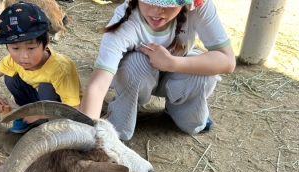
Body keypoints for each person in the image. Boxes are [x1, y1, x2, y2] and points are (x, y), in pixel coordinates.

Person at [79, 0, 236, 140]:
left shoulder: (200, 8)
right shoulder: (124, 20)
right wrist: (88, 134)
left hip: (177, 73)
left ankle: (179, 109)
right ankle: (122, 117)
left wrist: (172, 63)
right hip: (139, 76)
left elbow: (228, 61)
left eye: (167, 4)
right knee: (136, 63)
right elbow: (98, 85)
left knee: (201, 75)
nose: (157, 10)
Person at [0, 2, 82, 133]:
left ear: (46, 43)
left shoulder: (61, 69)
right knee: (10, 78)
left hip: (65, 109)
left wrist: (40, 114)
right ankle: (32, 116)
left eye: (31, 48)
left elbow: (74, 109)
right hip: (40, 101)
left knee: (46, 87)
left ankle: (51, 125)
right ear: (7, 46)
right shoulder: (12, 61)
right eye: (15, 48)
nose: (23, 56)